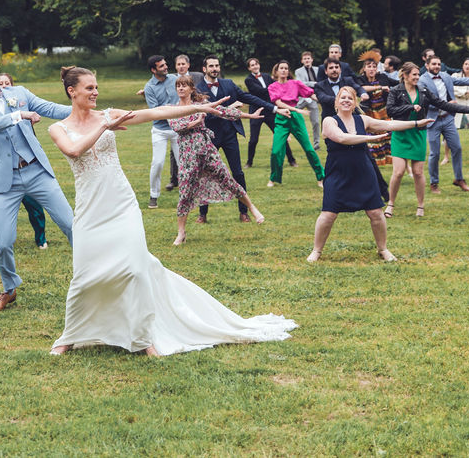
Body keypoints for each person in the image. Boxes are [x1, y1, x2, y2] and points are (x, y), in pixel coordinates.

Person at [47, 67, 297, 357]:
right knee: (85, 272)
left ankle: (143, 338)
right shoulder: (59, 128)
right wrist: (103, 128)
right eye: (89, 88)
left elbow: (157, 112)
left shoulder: (108, 114)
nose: (95, 93)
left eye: (96, 87)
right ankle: (71, 335)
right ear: (72, 91)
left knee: (136, 269)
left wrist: (199, 106)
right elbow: (74, 150)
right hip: (90, 207)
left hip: (121, 202)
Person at [0, 54, 75, 313]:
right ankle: (9, 289)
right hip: (5, 181)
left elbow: (50, 109)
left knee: (71, 225)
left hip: (36, 172)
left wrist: (83, 108)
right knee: (3, 242)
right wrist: (18, 116)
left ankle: (91, 280)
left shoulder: (19, 93)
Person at [307, 86, 432, 263]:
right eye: (342, 98)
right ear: (336, 102)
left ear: (354, 103)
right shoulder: (329, 121)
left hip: (363, 171)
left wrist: (416, 123)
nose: (346, 101)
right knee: (328, 213)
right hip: (338, 172)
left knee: (375, 212)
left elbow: (390, 124)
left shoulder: (362, 120)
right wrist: (370, 138)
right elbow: (342, 138)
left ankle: (383, 249)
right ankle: (316, 251)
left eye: (350, 98)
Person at [170, 75, 270, 245]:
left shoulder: (201, 105)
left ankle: (252, 208)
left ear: (191, 89)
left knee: (227, 179)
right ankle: (181, 233)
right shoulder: (172, 109)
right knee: (185, 191)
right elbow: (177, 128)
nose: (181, 88)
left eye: (184, 86)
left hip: (206, 149)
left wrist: (250, 116)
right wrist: (198, 121)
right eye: (178, 86)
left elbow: (224, 111)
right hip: (187, 154)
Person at [196, 55, 284, 223]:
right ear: (204, 69)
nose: (215, 68)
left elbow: (248, 97)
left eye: (217, 65)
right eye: (211, 66)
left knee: (238, 173)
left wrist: (273, 108)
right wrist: (229, 108)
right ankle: (203, 214)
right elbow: (205, 115)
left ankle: (244, 212)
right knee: (205, 174)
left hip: (229, 134)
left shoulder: (228, 84)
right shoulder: (198, 89)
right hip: (208, 137)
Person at [385, 62, 469, 217]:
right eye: (414, 75)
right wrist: (410, 108)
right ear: (405, 75)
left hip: (417, 134)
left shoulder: (423, 91)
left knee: (418, 172)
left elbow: (441, 104)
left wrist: (464, 109)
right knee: (398, 172)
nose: (417, 77)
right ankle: (390, 204)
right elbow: (390, 110)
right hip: (400, 133)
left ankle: (420, 206)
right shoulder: (395, 91)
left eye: (418, 74)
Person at [419, 55, 469, 193]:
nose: (437, 66)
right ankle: (434, 183)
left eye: (439, 64)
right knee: (434, 153)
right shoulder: (422, 81)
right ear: (427, 66)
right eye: (433, 64)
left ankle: (459, 179)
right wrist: (447, 104)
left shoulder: (445, 76)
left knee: (457, 148)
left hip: (447, 118)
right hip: (432, 120)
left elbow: (464, 80)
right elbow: (427, 102)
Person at [0, 73, 49, 248]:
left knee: (34, 204)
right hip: (6, 166)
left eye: (7, 83)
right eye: (1, 83)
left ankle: (41, 238)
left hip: (27, 164)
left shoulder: (22, 105)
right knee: (1, 205)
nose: (4, 86)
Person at [265, 61, 324, 187]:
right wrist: (297, 109)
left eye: (286, 68)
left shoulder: (295, 83)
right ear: (276, 71)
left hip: (296, 119)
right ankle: (273, 178)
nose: (284, 70)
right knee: (276, 151)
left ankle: (321, 177)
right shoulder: (272, 86)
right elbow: (278, 103)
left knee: (309, 149)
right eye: (281, 68)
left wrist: (325, 101)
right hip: (282, 117)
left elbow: (310, 94)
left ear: (288, 71)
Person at [244, 57, 297, 168]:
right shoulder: (248, 80)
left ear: (259, 65)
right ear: (249, 68)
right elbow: (258, 91)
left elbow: (276, 88)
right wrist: (272, 88)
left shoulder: (267, 76)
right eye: (252, 65)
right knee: (253, 139)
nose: (255, 66)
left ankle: (292, 160)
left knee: (280, 135)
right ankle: (249, 162)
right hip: (256, 112)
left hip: (270, 111)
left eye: (256, 64)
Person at [143, 55, 180, 209]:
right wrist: (175, 109)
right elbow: (156, 112)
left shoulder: (175, 79)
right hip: (160, 130)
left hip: (178, 129)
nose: (166, 67)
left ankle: (188, 193)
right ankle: (154, 195)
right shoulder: (149, 87)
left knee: (183, 163)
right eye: (161, 66)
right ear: (153, 70)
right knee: (157, 163)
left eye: (166, 64)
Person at [294, 50, 323, 148]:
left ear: (312, 60)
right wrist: (314, 83)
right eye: (305, 59)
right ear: (302, 61)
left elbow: (321, 82)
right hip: (301, 98)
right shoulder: (298, 71)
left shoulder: (318, 69)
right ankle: (286, 138)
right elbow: (300, 83)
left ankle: (316, 144)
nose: (307, 60)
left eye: (308, 58)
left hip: (313, 99)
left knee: (315, 122)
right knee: (291, 117)